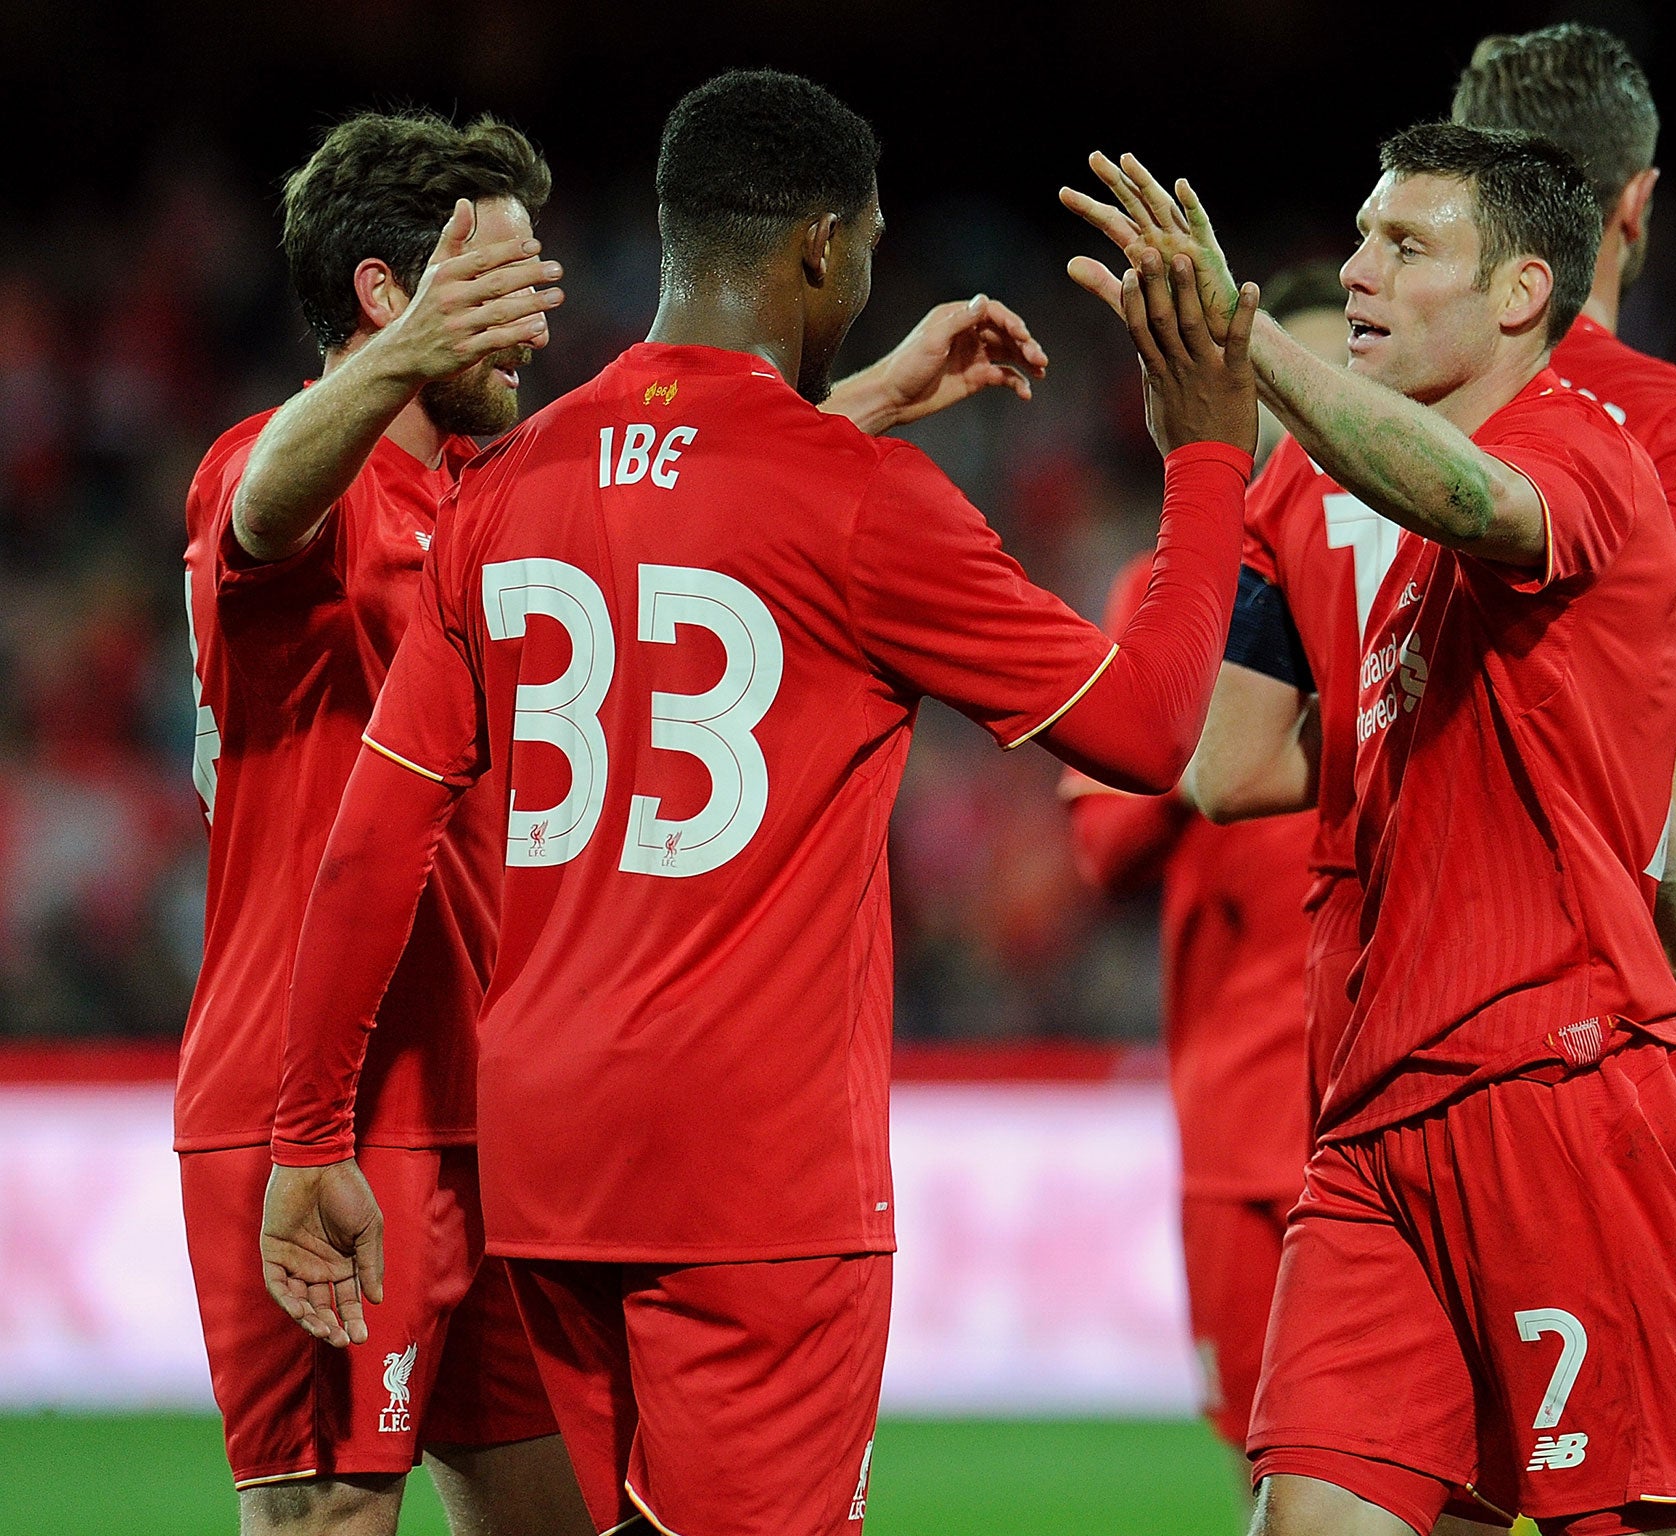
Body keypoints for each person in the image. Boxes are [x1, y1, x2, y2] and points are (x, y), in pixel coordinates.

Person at [259, 68, 1261, 1536]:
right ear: (819, 247)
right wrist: (1209, 457)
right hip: (755, 1177)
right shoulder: (860, 498)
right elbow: (1155, 727)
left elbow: (375, 838)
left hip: (550, 1158)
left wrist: (306, 1137)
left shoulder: (509, 487)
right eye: (863, 245)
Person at [1065, 124, 1676, 1536]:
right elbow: (1226, 765)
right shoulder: (1382, 553)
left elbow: (1469, 492)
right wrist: (1213, 460)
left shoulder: (1582, 452)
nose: (1356, 268)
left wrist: (1248, 347)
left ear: (1519, 294)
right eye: (1360, 236)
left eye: (1405, 246)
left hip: (1553, 1085)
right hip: (1373, 1110)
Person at [177, 110, 587, 1536]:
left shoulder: (485, 500)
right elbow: (268, 502)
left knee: (557, 1512)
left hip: (494, 1116)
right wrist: (413, 355)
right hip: (321, 1119)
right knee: (329, 1519)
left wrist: (871, 405)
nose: (537, 332)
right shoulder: (274, 471)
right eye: (504, 294)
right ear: (384, 293)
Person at [1454, 28, 1676, 1536]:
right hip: (1606, 1022)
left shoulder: (1372, 421)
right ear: (1636, 205)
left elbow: (1238, 763)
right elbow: (1655, 730)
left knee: (1428, 1479)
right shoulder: (1655, 421)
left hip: (1397, 1033)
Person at [1060, 270, 1348, 1458]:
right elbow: (1102, 845)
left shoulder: (1421, 569)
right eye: (1299, 379)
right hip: (1236, 1117)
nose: (1330, 408)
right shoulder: (1164, 595)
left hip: (1387, 1092)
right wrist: (1223, 713)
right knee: (1268, 1467)